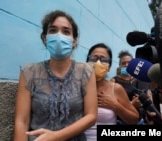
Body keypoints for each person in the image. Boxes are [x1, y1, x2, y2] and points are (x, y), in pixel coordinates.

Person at [13, 10, 97, 141]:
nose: (59, 36)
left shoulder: (86, 71)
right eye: (53, 30)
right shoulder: (29, 72)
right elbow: (21, 121)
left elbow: (91, 116)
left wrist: (56, 136)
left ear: (74, 41)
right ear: (45, 38)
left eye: (66, 32)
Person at [84, 43, 139, 141]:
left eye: (104, 60)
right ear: (87, 62)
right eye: (94, 58)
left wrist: (115, 106)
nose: (98, 63)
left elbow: (134, 119)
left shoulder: (115, 89)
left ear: (109, 67)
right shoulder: (76, 87)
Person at [110, 50, 152, 125]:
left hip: (139, 121)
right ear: (119, 66)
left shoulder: (139, 80)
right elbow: (111, 103)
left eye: (129, 63)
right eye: (123, 63)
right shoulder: (113, 81)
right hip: (120, 121)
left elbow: (148, 99)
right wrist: (132, 104)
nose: (126, 65)